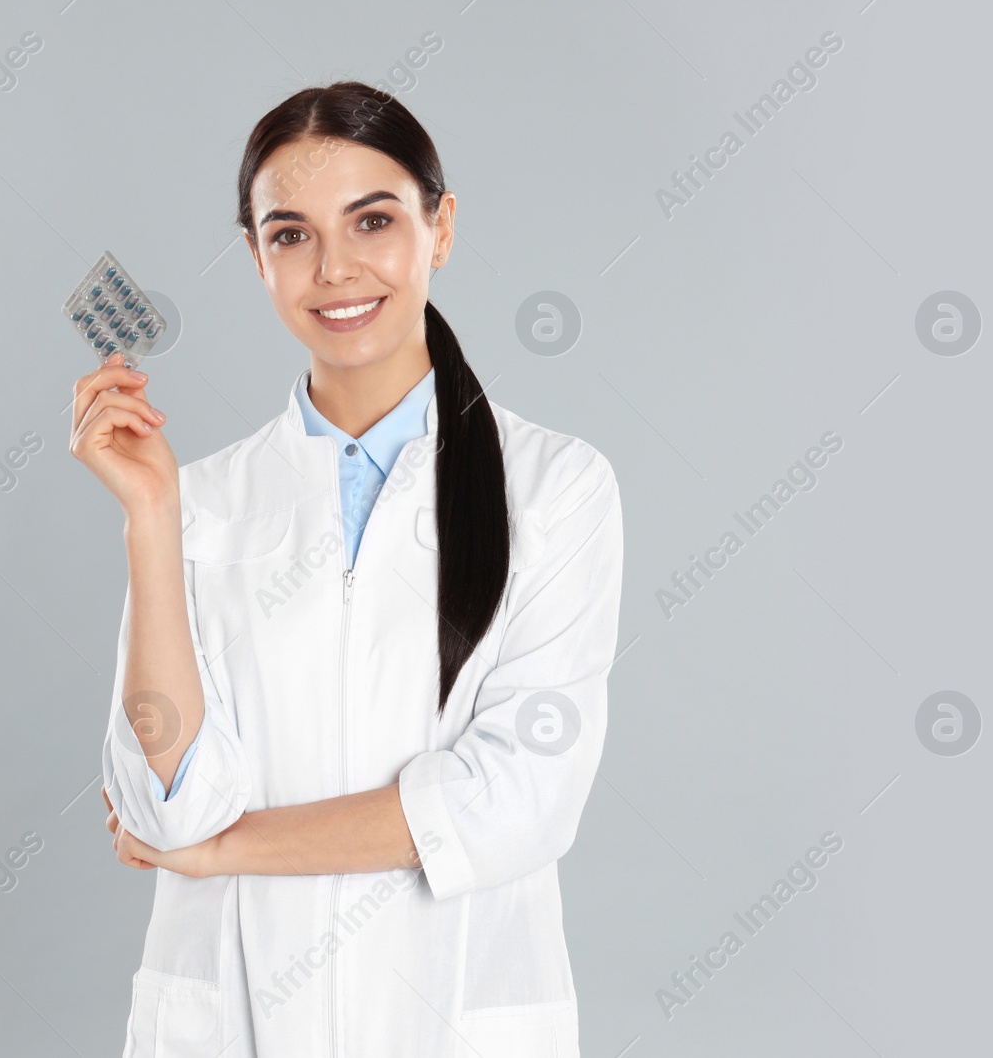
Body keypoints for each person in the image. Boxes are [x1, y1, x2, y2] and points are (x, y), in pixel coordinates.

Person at [70, 80, 624, 1058]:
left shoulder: (556, 488)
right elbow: (164, 806)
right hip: (231, 1021)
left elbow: (516, 797)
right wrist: (152, 520)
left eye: (372, 219)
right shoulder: (199, 502)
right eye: (289, 234)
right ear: (254, 255)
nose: (334, 268)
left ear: (439, 226)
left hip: (451, 1016)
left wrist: (219, 850)